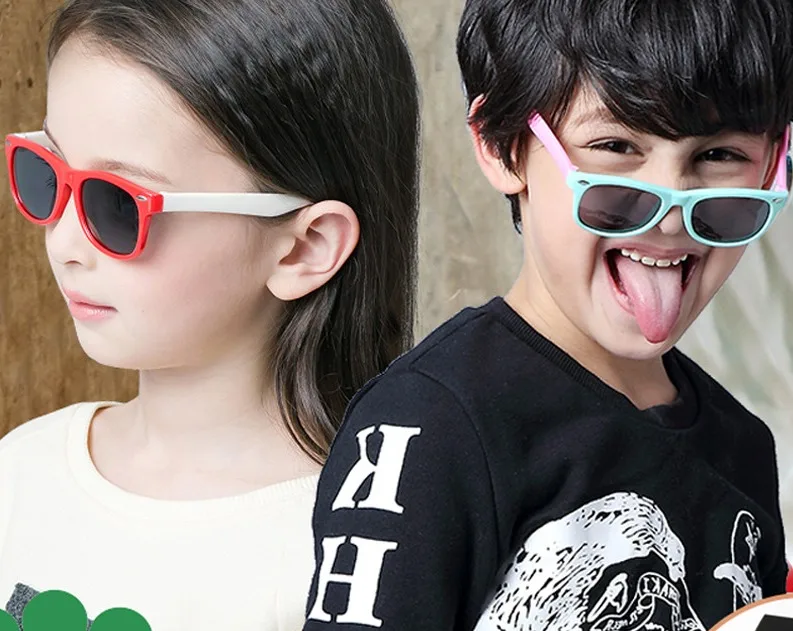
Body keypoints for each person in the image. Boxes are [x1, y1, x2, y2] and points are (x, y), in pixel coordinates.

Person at [303, 0, 793, 629]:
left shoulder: (743, 446)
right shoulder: (425, 423)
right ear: (502, 147)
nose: (672, 215)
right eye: (615, 147)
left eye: (719, 156)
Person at [0, 0, 419, 628]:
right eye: (46, 173)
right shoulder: (20, 472)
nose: (63, 244)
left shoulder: (351, 556)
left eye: (116, 204)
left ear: (305, 247)